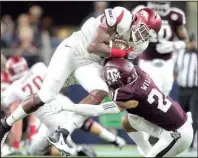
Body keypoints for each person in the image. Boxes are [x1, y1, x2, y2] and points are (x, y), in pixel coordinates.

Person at [1, 7, 162, 150]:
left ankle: (62, 132)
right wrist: (123, 52)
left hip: (91, 63)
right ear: (136, 19)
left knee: (101, 92)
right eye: (143, 28)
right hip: (74, 49)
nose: (143, 35)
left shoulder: (141, 45)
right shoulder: (121, 16)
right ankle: (5, 124)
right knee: (46, 96)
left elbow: (113, 62)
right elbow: (94, 46)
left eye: (148, 33)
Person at [59, 58, 193, 157]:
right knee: (128, 121)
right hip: (171, 124)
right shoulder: (140, 73)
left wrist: (69, 107)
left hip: (178, 134)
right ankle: (148, 151)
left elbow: (95, 110)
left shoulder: (129, 95)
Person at [1, 57, 125, 156]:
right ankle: (114, 139)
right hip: (64, 103)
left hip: (51, 119)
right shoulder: (39, 68)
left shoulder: (14, 89)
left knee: (35, 151)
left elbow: (5, 102)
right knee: (83, 122)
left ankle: (75, 151)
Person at [132, 2, 192, 96]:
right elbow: (130, 36)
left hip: (167, 63)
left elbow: (187, 42)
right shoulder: (141, 12)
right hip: (147, 61)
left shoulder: (175, 15)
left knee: (164, 93)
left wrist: (174, 45)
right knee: (149, 93)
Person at [174, 34, 198, 152]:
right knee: (181, 117)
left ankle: (191, 144)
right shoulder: (180, 55)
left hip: (195, 90)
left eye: (192, 42)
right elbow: (175, 71)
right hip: (182, 89)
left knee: (194, 117)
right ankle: (181, 142)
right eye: (188, 42)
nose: (190, 44)